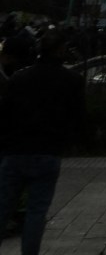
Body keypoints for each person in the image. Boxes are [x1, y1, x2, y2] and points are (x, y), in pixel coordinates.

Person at [0, 29, 86, 255]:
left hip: (15, 151)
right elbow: (77, 117)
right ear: (61, 50)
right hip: (48, 151)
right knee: (36, 212)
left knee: (3, 207)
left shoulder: (20, 78)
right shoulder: (72, 81)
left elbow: (5, 114)